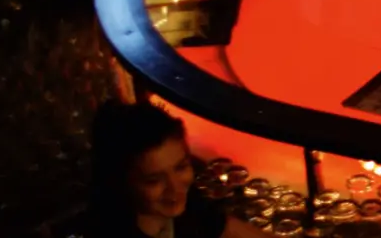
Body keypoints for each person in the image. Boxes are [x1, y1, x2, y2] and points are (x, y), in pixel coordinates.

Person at [87, 102, 264, 238]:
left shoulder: (189, 205)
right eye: (154, 180)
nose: (175, 188)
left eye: (180, 167)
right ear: (122, 182)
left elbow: (227, 228)